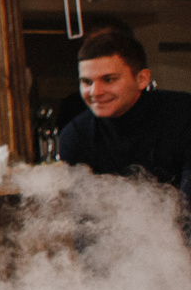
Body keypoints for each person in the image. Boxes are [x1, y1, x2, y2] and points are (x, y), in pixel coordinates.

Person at [56, 28, 191, 207]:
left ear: (142, 79)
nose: (95, 92)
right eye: (86, 82)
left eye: (109, 79)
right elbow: (87, 219)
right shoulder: (76, 136)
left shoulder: (183, 114)